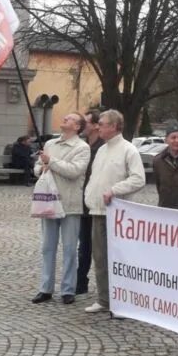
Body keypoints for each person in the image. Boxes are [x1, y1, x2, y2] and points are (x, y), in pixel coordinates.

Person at [83, 109, 146, 314]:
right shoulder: (101, 150)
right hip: (97, 211)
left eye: (102, 123)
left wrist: (114, 190)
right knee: (100, 257)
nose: (98, 126)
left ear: (114, 126)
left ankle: (124, 300)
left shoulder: (129, 150)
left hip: (118, 213)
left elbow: (138, 179)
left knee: (120, 258)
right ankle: (104, 299)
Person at [31, 113, 91, 305]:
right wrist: (41, 169)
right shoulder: (50, 144)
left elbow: (74, 171)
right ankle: (45, 287)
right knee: (47, 247)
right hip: (49, 200)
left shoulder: (82, 147)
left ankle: (68, 289)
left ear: (78, 127)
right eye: (65, 117)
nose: (65, 118)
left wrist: (51, 162)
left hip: (70, 203)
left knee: (70, 248)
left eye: (71, 118)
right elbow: (38, 166)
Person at [77, 110, 103, 295]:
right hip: (82, 202)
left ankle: (106, 286)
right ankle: (80, 281)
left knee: (101, 247)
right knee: (83, 245)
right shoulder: (82, 146)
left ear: (95, 125)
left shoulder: (102, 148)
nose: (82, 125)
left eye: (85, 122)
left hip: (98, 203)